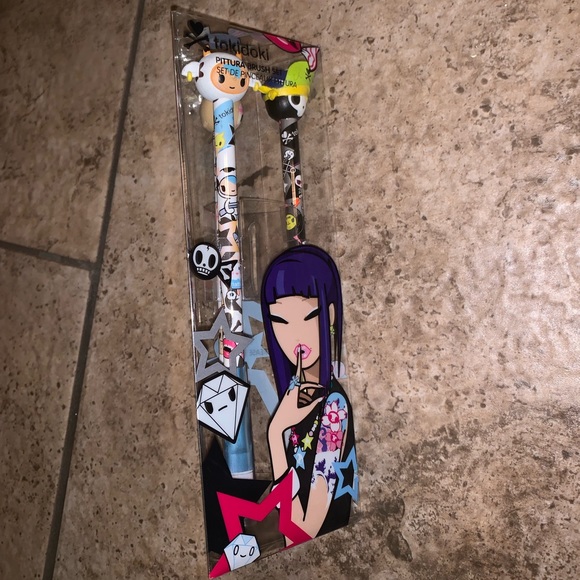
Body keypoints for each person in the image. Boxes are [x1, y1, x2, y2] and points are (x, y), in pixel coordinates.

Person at [261, 245, 356, 542]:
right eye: (280, 321)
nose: (294, 335)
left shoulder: (334, 409)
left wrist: (275, 434)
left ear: (330, 313)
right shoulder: (295, 392)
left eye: (308, 315)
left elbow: (301, 532)